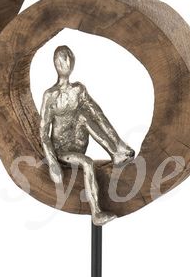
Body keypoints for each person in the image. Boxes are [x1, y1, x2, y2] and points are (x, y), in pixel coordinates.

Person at [40, 45, 135, 226]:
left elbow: (97, 113)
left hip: (79, 141)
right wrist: (52, 162)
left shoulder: (78, 89)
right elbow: (43, 133)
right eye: (62, 59)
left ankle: (116, 151)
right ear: (56, 64)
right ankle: (96, 213)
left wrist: (118, 141)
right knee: (87, 162)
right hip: (62, 151)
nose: (66, 63)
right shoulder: (50, 96)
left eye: (69, 58)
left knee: (85, 116)